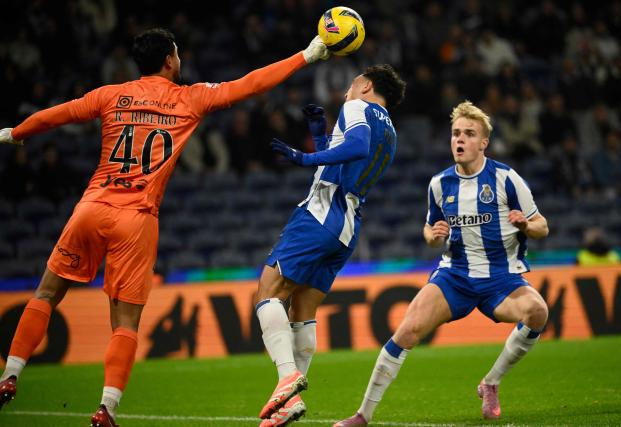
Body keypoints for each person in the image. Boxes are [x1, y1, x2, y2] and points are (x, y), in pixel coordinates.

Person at [0, 28, 330, 427]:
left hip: (92, 206)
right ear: (170, 60)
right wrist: (306, 56)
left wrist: (16, 133)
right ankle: (107, 407)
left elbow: (59, 114)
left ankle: (10, 374)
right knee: (124, 323)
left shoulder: (111, 94)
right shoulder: (188, 98)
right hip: (136, 218)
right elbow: (249, 84)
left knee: (47, 292)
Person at [335, 100, 550, 426]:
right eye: (455, 133)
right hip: (456, 275)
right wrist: (432, 236)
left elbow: (542, 227)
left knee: (538, 313)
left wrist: (524, 225)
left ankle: (491, 382)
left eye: (468, 134)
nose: (460, 140)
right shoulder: (439, 184)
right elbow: (430, 228)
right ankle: (362, 415)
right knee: (407, 330)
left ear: (483, 143)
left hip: (502, 278)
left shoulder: (507, 179)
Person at [255, 64, 406, 427]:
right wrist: (320, 135)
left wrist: (305, 156)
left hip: (321, 213)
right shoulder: (392, 131)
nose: (345, 92)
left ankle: (286, 376)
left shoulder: (358, 107)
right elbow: (345, 162)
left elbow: (354, 147)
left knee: (268, 292)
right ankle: (290, 402)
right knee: (302, 312)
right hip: (348, 225)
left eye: (352, 83)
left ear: (366, 85)